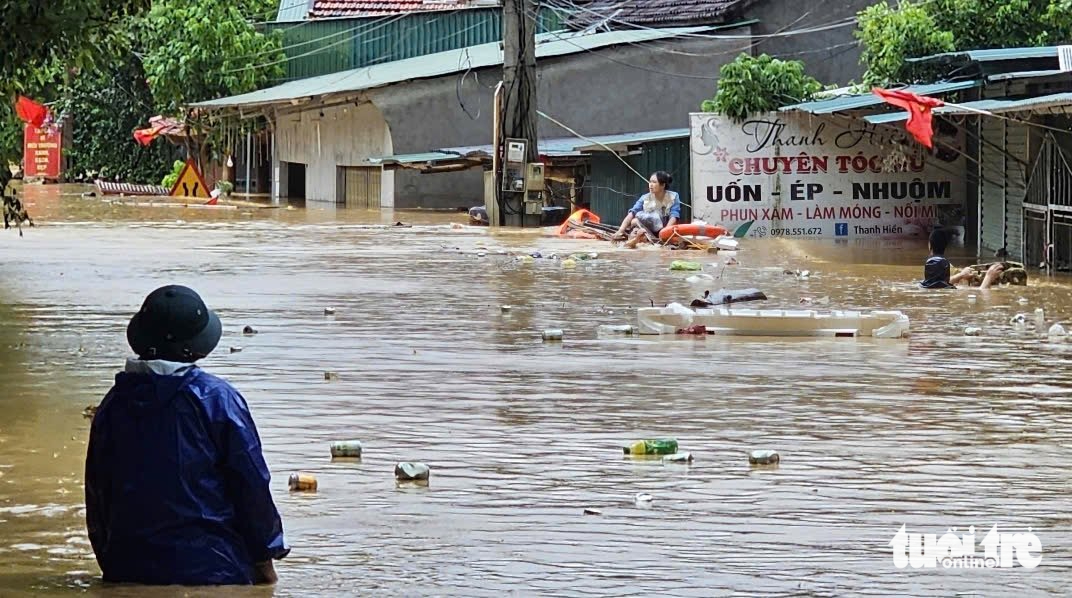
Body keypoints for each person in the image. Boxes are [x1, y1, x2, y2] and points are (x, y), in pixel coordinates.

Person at [85, 285, 288, 586]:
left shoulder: (113, 405)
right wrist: (265, 556)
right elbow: (251, 485)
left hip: (129, 568)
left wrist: (113, 565)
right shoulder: (218, 399)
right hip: (215, 569)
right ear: (197, 347)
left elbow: (98, 494)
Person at [612, 171, 681, 248]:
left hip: (663, 230)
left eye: (654, 182)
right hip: (645, 229)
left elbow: (674, 216)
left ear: (663, 185)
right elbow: (632, 213)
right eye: (650, 181)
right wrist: (620, 230)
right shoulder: (645, 197)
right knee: (635, 223)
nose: (650, 184)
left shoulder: (673, 196)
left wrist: (664, 233)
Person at [921, 228, 1003, 289]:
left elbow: (937, 283)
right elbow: (980, 293)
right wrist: (989, 276)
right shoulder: (952, 290)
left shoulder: (922, 286)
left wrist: (961, 275)